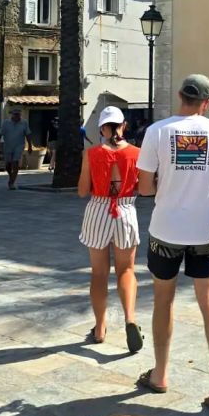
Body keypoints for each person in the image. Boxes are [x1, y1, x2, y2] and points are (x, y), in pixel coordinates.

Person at [136, 74, 209, 408]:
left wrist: (169, 188)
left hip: (166, 230)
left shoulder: (157, 131)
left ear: (180, 96)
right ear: (206, 103)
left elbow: (144, 187)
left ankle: (160, 374)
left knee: (163, 300)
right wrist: (207, 192)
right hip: (205, 231)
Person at [77, 106, 144, 352]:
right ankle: (130, 319)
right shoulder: (137, 153)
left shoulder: (91, 153)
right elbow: (143, 188)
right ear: (123, 125)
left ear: (102, 129)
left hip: (98, 209)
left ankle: (100, 327)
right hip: (125, 210)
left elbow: (82, 190)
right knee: (126, 270)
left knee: (99, 273)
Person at [0, 108, 32, 190]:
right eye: (16, 114)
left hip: (19, 145)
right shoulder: (6, 123)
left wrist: (30, 146)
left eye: (19, 114)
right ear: (12, 115)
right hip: (8, 145)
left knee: (15, 162)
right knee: (8, 165)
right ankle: (11, 176)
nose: (17, 116)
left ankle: (12, 182)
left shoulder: (24, 123)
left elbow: (28, 134)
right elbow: (0, 133)